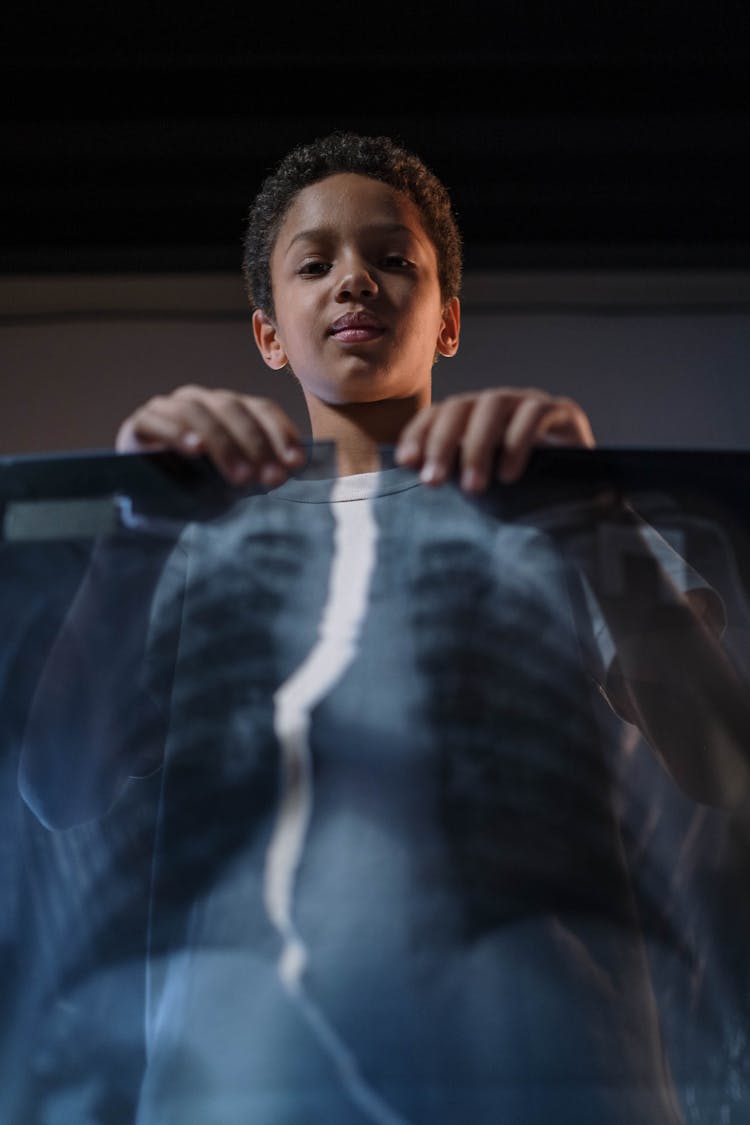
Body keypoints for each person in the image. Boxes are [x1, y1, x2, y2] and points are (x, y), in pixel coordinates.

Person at [18, 133, 750, 1124]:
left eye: (393, 259)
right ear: (269, 332)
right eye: (314, 264)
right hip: (245, 1091)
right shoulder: (185, 538)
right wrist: (135, 527)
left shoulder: (564, 514)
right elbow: (59, 787)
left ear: (448, 320)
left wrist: (596, 515)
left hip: (553, 1080)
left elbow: (724, 768)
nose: (354, 280)